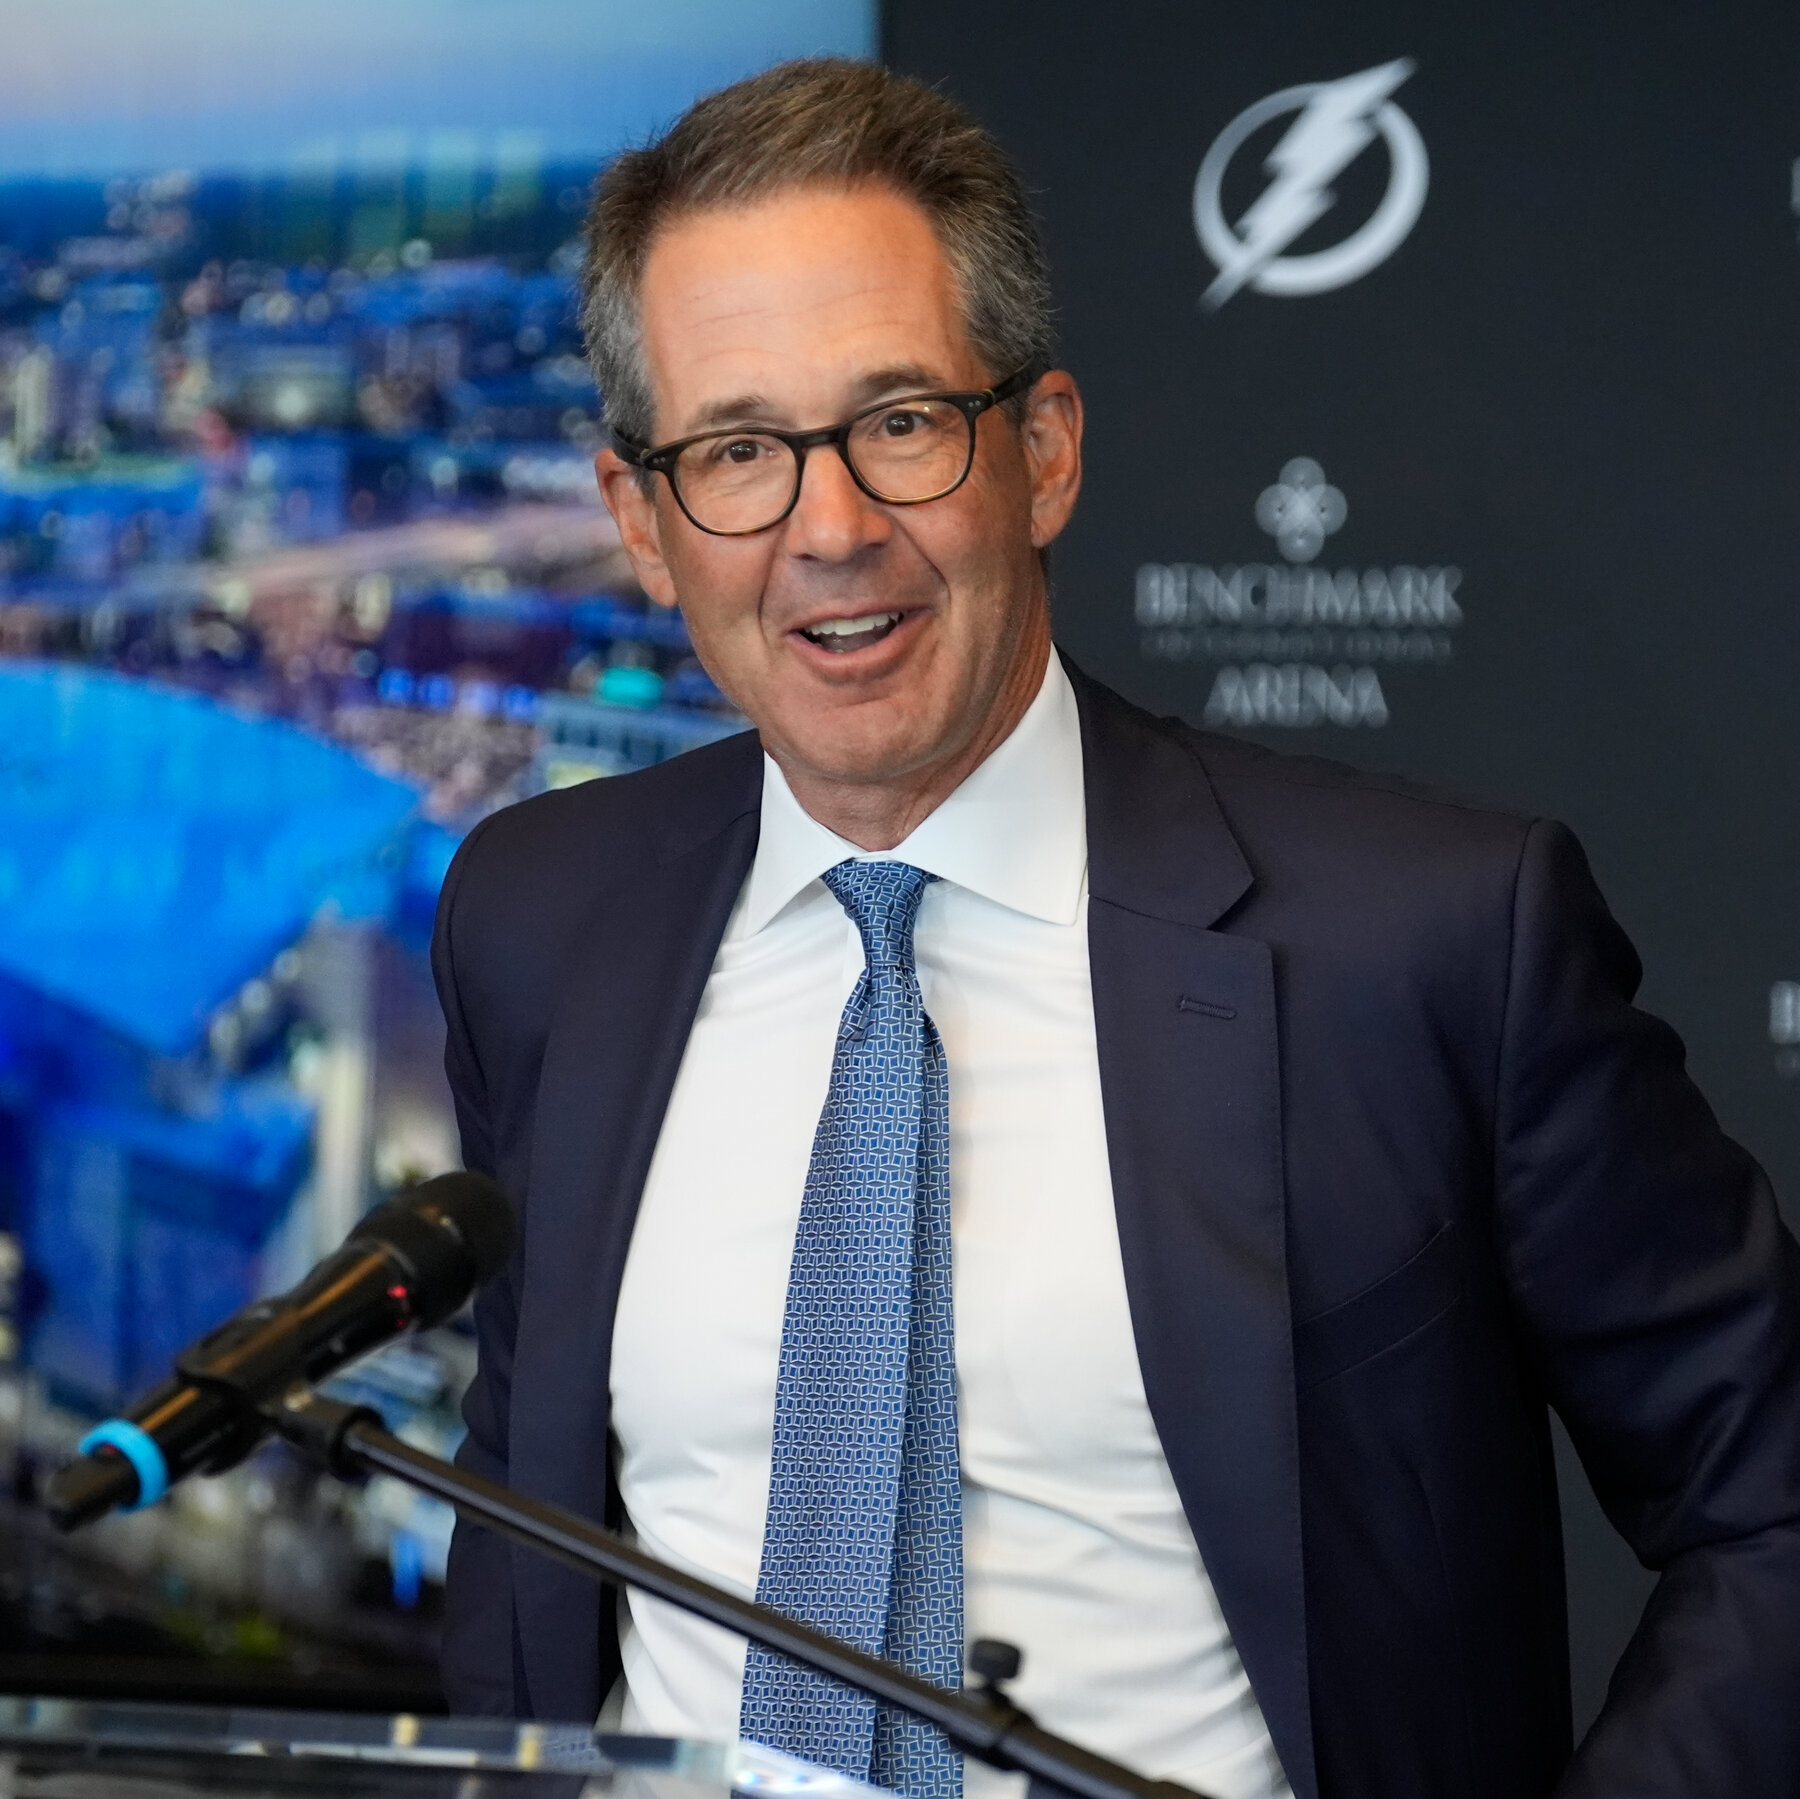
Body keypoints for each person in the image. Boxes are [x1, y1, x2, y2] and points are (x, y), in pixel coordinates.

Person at [432, 57, 1800, 1799]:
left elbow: (1772, 1502)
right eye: (739, 452)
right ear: (643, 522)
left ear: (1045, 453)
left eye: (901, 423)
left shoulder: (1432, 943)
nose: (829, 529)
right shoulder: (538, 920)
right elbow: (523, 1530)